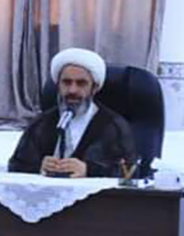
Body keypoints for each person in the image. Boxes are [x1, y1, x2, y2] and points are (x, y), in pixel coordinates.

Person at [9, 48, 137, 178]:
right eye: (66, 82)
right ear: (58, 85)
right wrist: (39, 167)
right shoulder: (41, 123)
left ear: (94, 88)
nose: (72, 90)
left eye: (81, 83)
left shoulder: (114, 125)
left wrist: (88, 170)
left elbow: (131, 172)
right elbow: (15, 165)